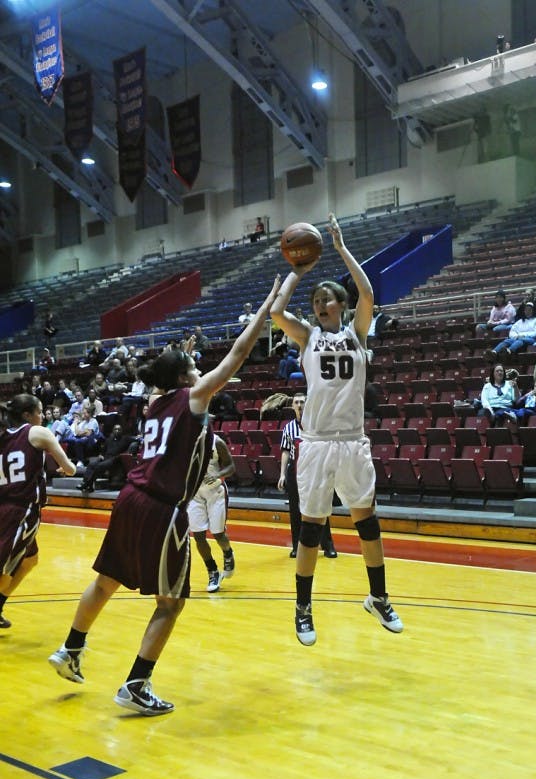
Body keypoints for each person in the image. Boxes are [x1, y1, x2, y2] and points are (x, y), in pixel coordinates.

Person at [48, 276, 281, 715]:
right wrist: (269, 303)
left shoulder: (155, 403)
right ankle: (136, 684)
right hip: (161, 508)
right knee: (170, 603)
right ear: (184, 377)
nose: (201, 370)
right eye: (195, 366)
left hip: (129, 498)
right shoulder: (189, 399)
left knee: (106, 581)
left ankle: (70, 648)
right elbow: (238, 355)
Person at [270, 214, 403, 646]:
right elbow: (275, 313)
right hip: (317, 444)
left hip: (352, 443)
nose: (320, 305)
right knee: (311, 527)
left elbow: (367, 291)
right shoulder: (307, 337)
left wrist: (341, 248)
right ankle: (303, 608)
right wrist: (297, 273)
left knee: (367, 523)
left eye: (327, 299)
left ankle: (379, 597)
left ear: (340, 304)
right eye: (315, 302)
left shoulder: (358, 334)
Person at [0, 393, 76, 629]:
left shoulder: (3, 438)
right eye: (40, 412)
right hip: (22, 511)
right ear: (27, 415)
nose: (42, 416)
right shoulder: (37, 432)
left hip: (4, 506)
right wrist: (68, 469)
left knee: (30, 560)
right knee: (4, 568)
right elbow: (70, 468)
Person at [277, 391, 336, 559]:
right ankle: (297, 546)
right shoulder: (288, 427)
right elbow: (285, 452)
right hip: (294, 471)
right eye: (296, 402)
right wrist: (282, 474)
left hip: (315, 470)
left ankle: (328, 545)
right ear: (292, 405)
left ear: (307, 404)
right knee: (295, 510)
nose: (300, 405)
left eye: (302, 402)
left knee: (321, 507)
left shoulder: (316, 424)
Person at [188, 435, 236, 592]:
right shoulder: (184, 441)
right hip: (194, 494)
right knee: (198, 536)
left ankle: (228, 552)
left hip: (215, 491)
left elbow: (231, 467)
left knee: (218, 534)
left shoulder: (217, 442)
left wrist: (217, 474)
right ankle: (212, 570)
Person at [78, 423, 135, 493]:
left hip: (115, 459)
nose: (117, 431)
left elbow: (137, 440)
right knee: (91, 465)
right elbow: (103, 451)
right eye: (115, 429)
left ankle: (87, 484)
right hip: (105, 458)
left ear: (122, 431)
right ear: (113, 430)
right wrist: (101, 455)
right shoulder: (108, 440)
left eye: (119, 429)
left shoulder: (125, 439)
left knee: (99, 466)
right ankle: (86, 483)